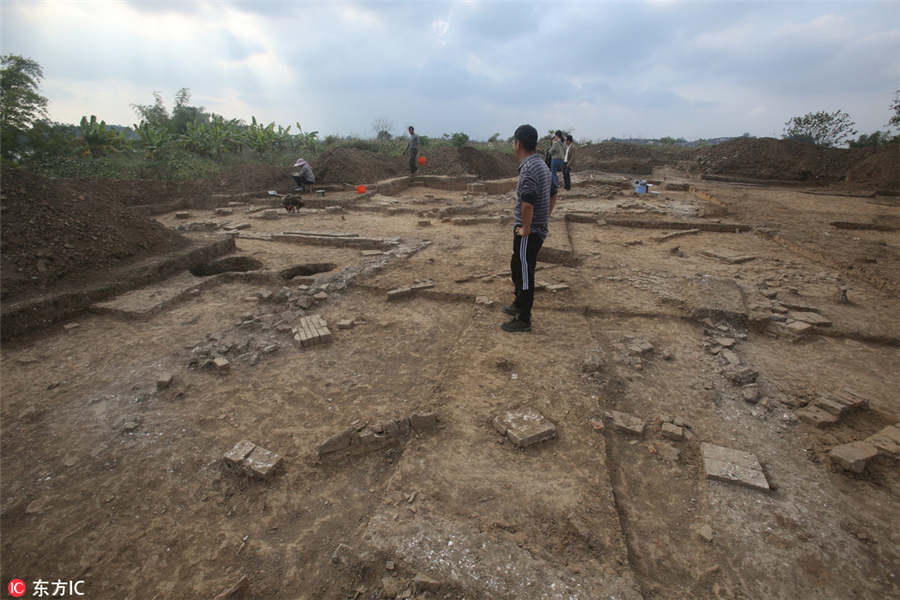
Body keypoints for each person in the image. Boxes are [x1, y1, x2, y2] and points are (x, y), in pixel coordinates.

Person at [502, 124, 557, 333]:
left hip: (529, 232)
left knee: (525, 272)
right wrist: (545, 216)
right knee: (518, 264)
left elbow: (527, 203)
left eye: (513, 142)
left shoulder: (528, 168)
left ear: (518, 143)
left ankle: (524, 318)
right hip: (536, 227)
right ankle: (518, 303)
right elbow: (554, 192)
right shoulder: (542, 165)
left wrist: (527, 227)